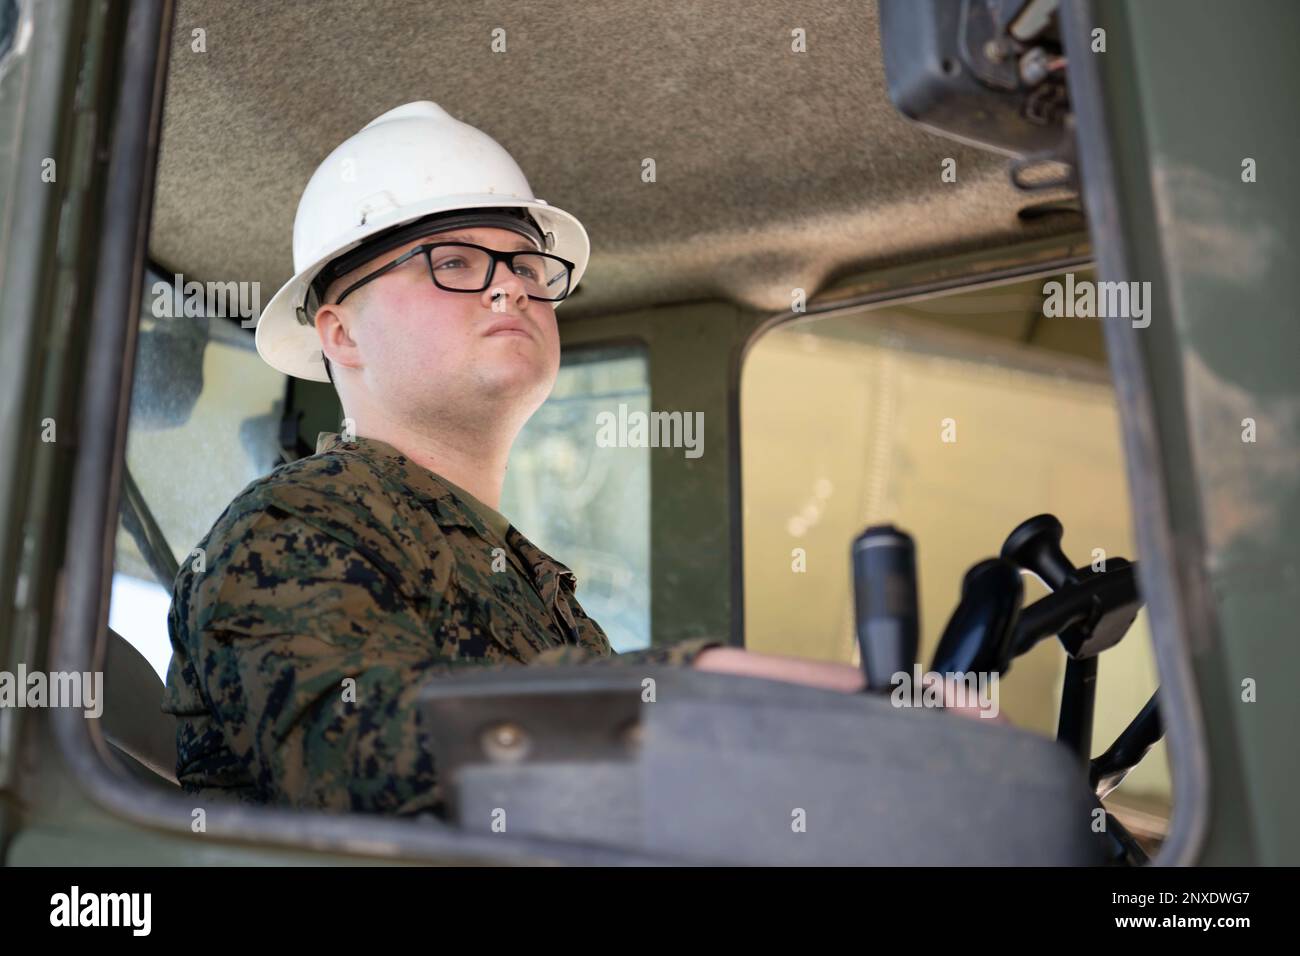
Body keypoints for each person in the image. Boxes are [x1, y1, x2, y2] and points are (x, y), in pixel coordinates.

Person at [162, 102, 982, 819]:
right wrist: (706, 683)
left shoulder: (527, 583)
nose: (510, 288)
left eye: (526, 264)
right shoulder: (287, 527)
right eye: (454, 263)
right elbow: (349, 761)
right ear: (341, 333)